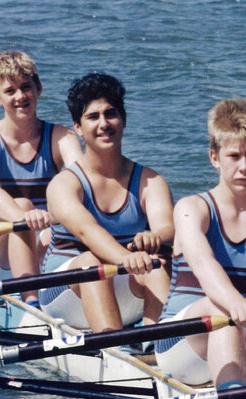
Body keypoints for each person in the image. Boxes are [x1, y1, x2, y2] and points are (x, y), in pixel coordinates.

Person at [154, 98, 246, 389]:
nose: (244, 167)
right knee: (220, 307)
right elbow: (203, 263)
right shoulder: (191, 209)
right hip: (184, 345)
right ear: (214, 158)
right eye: (234, 156)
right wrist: (236, 304)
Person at [40, 72, 174, 332]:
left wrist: (154, 237)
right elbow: (88, 232)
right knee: (93, 262)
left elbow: (168, 227)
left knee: (158, 263)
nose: (104, 123)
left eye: (110, 114)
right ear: (78, 127)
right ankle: (114, 347)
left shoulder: (151, 180)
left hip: (124, 286)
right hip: (66, 295)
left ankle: (156, 348)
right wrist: (126, 257)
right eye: (92, 117)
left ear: (123, 119)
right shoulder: (64, 185)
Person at [0, 51, 83, 306]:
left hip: (41, 242)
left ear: (38, 89)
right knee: (22, 206)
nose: (20, 97)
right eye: (10, 91)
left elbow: (82, 185)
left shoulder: (63, 138)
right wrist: (25, 219)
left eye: (26, 87)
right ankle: (32, 304)